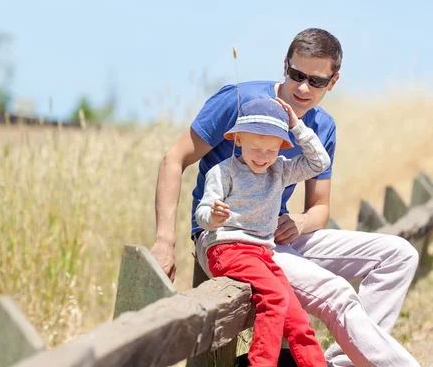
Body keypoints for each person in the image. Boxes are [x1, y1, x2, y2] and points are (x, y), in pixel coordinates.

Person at [149, 28, 420, 366]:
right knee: (335, 292)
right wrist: (164, 241)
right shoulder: (238, 101)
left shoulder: (322, 127)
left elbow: (319, 208)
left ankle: (346, 362)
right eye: (296, 74)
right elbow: (174, 159)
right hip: (227, 239)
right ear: (285, 65)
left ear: (333, 82)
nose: (303, 87)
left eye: (316, 81)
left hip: (274, 235)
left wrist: (299, 222)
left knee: (399, 254)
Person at [195, 96, 328, 366]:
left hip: (263, 255)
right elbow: (202, 214)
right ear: (238, 139)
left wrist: (296, 125)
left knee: (298, 319)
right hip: (228, 249)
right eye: (256, 148)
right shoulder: (222, 173)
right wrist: (214, 216)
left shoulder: (279, 169)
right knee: (275, 297)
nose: (262, 157)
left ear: (280, 146)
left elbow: (319, 162)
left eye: (270, 150)